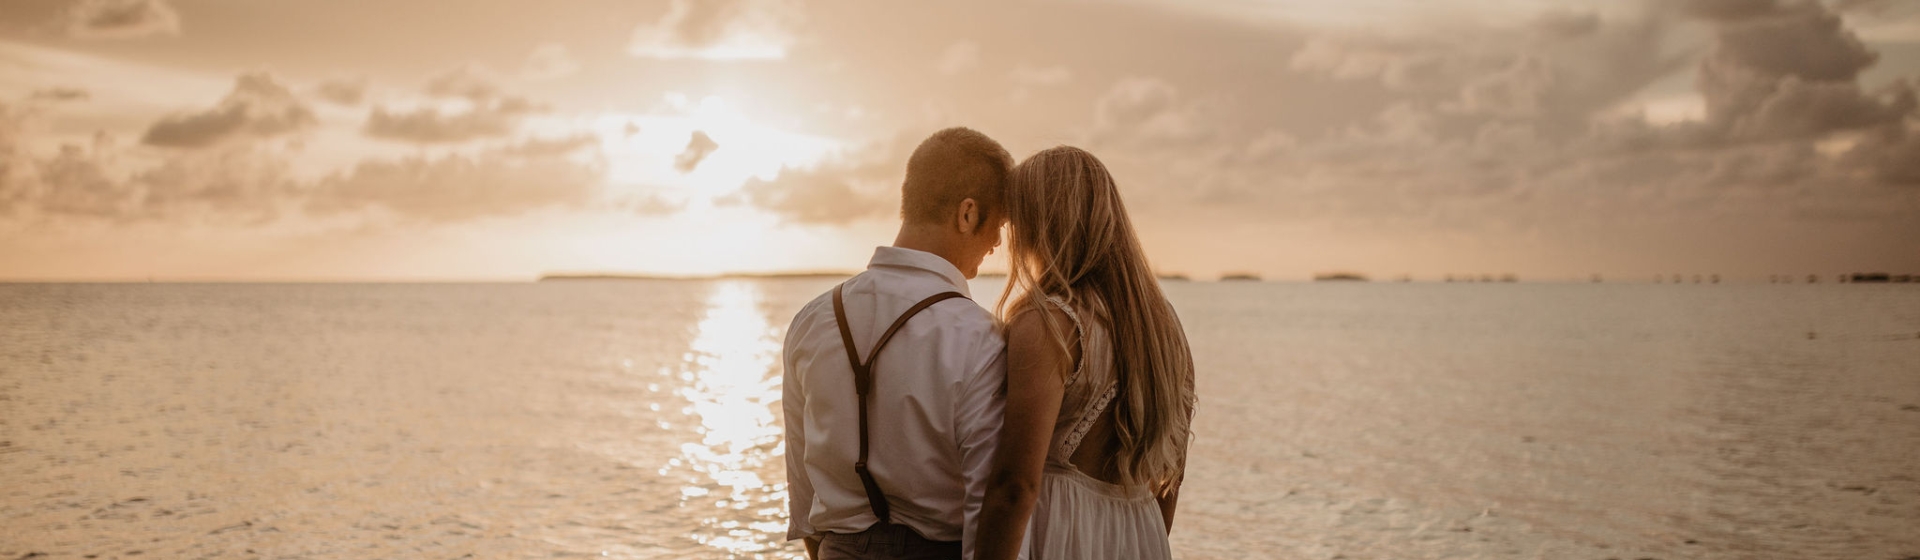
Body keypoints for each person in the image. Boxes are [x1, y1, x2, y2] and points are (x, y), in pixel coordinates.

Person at [782, 127, 1015, 560]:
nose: (998, 244)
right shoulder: (978, 336)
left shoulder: (812, 319)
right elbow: (989, 499)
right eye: (998, 225)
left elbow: (802, 485)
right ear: (967, 214)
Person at [973, 146, 1198, 560]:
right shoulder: (1164, 327)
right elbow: (1171, 475)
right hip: (1142, 534)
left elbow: (1015, 485)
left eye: (1016, 221)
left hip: (1063, 535)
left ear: (1040, 224)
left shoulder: (1048, 322)